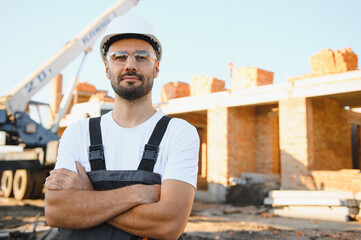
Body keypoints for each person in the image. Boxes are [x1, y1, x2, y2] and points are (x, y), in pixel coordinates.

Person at [44, 14, 199, 240]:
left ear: (156, 68)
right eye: (119, 57)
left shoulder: (178, 133)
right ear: (107, 69)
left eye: (142, 57)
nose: (130, 65)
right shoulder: (78, 133)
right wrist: (135, 194)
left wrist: (88, 197)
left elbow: (169, 224)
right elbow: (56, 211)